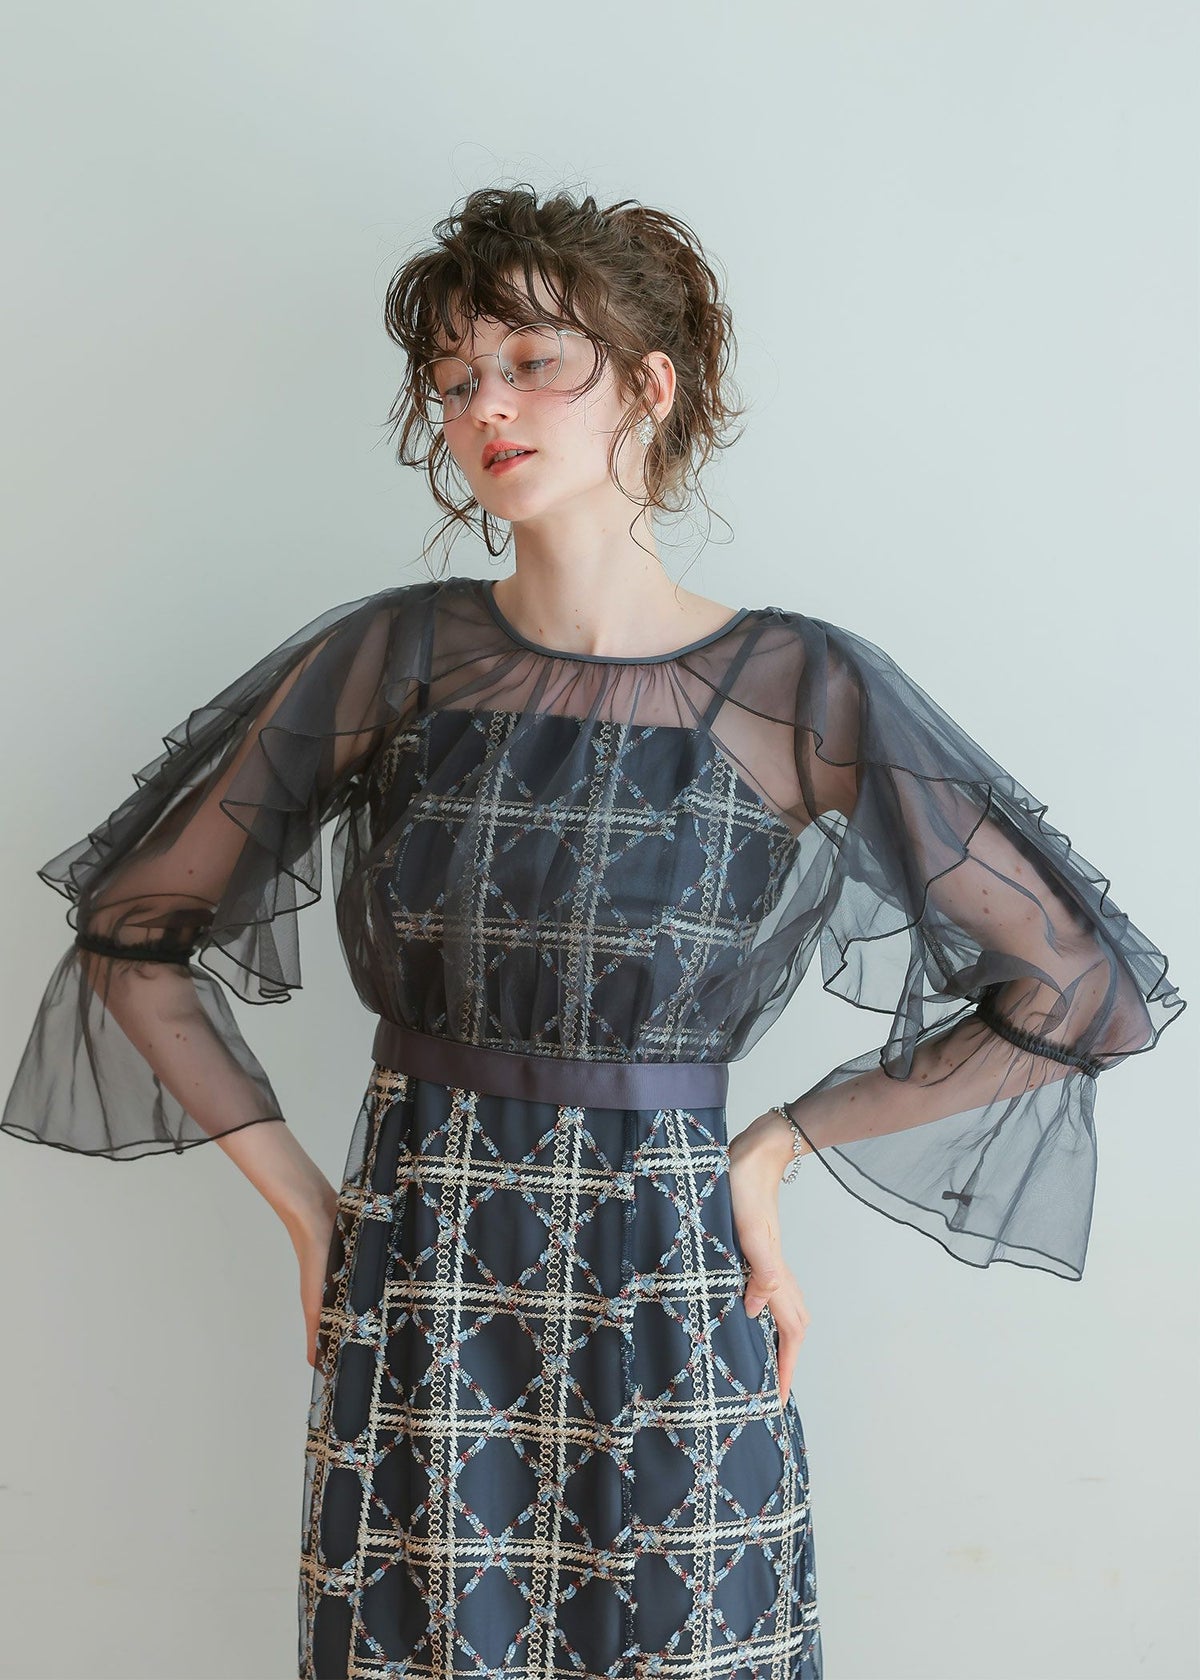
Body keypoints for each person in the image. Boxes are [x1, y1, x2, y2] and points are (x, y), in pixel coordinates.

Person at [1, 184, 1185, 1680]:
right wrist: (311, 1212)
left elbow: (1079, 986)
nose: (483, 406)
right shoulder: (396, 658)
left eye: (531, 361)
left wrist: (774, 1152)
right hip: (423, 1270)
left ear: (650, 383)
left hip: (672, 1267)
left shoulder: (799, 690)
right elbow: (135, 930)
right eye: (454, 379)